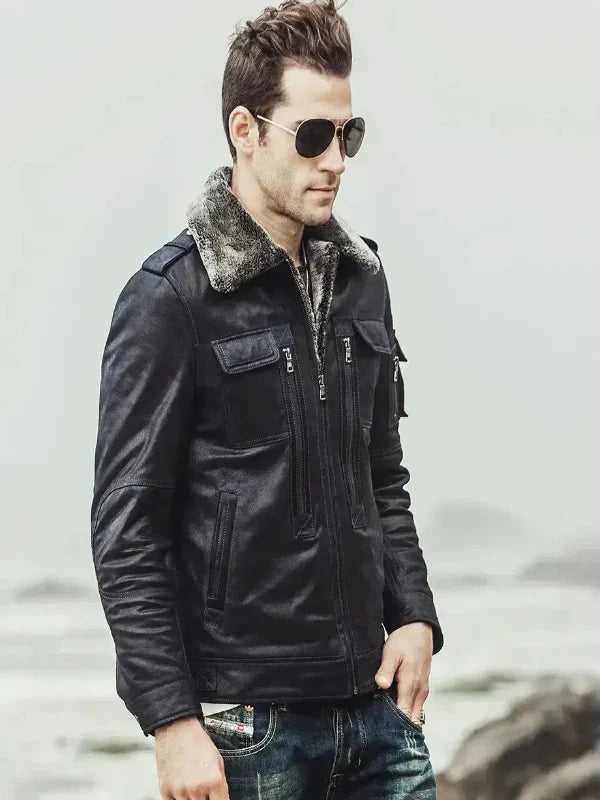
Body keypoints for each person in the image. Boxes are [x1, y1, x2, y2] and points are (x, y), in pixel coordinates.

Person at [90, 1, 444, 797]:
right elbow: (126, 532)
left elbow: (382, 477)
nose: (336, 160)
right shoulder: (169, 300)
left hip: (377, 712)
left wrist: (415, 616)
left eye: (348, 134)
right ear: (245, 130)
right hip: (248, 729)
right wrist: (171, 722)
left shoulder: (363, 280)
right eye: (313, 135)